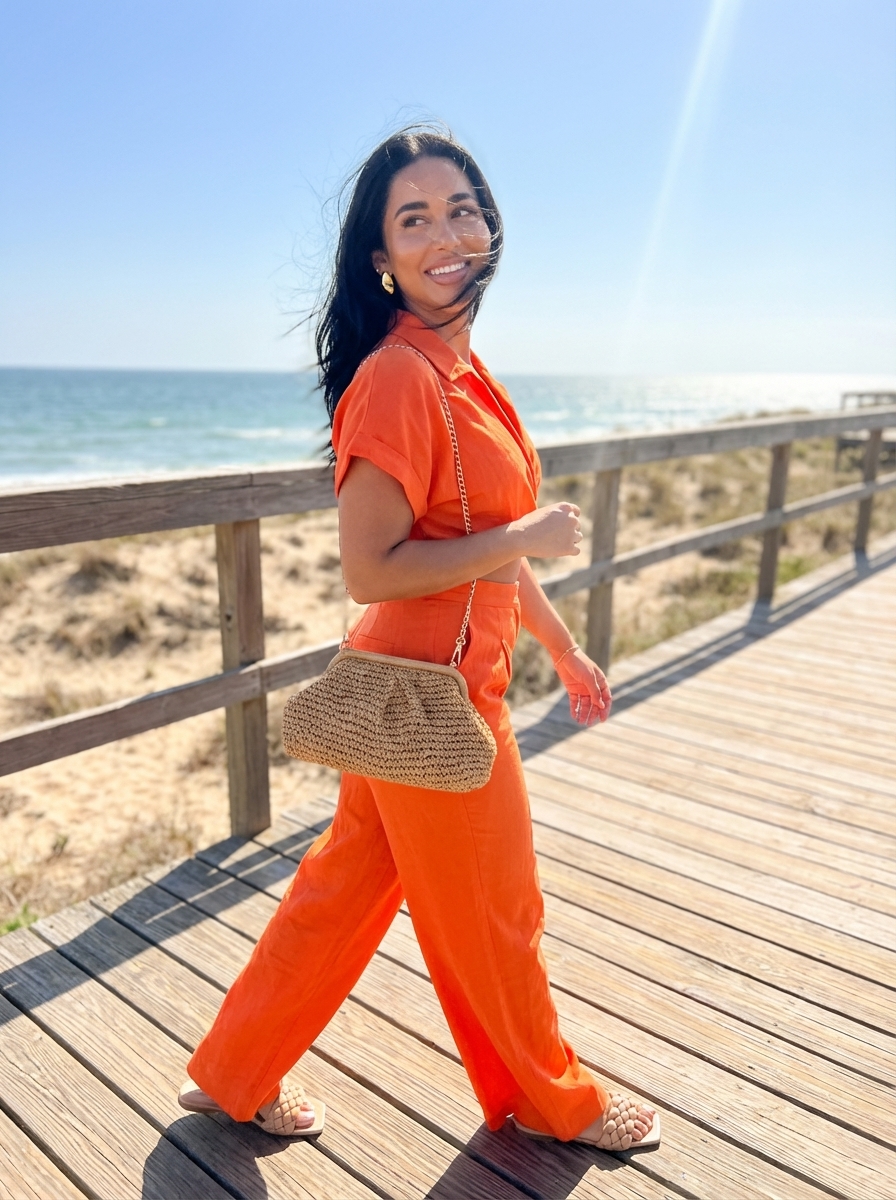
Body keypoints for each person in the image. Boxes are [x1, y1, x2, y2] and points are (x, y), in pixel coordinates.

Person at [179, 126, 660, 1154]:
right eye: (413, 219)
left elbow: (482, 550)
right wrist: (528, 533)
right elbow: (373, 567)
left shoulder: (461, 368)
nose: (443, 233)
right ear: (379, 257)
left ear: (488, 227)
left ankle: (231, 1074)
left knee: (340, 893)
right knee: (497, 910)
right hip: (430, 695)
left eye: (460, 209)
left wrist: (563, 650)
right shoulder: (401, 376)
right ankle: (552, 1100)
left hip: (422, 688)